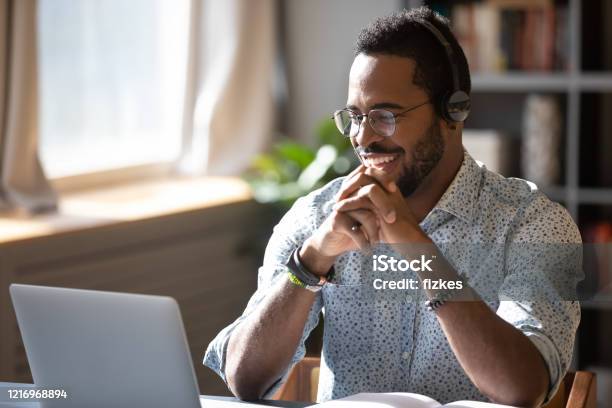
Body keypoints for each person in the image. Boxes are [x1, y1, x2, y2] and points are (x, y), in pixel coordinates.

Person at [204, 7, 581, 407]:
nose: (363, 138)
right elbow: (243, 381)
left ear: (453, 112)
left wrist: (416, 247)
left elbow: (523, 389)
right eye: (354, 116)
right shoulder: (317, 216)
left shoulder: (535, 225)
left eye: (385, 116)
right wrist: (311, 261)